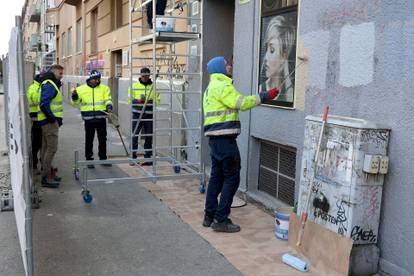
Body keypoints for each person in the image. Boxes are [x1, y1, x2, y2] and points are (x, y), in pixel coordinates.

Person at [202, 56, 279, 233]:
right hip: (225, 140)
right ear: (219, 68)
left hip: (214, 140)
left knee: (216, 178)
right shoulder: (223, 85)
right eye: (226, 64)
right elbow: (242, 103)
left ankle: (209, 216)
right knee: (232, 178)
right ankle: (221, 219)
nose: (229, 66)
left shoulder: (210, 87)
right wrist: (264, 96)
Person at [71, 70, 113, 169]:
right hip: (88, 118)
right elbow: (75, 103)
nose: (97, 81)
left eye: (98, 79)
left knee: (103, 139)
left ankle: (103, 158)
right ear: (90, 78)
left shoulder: (104, 88)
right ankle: (89, 159)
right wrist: (74, 97)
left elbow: (108, 99)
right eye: (95, 79)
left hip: (101, 117)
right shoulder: (81, 89)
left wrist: (109, 106)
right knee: (89, 139)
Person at [38, 64, 64, 188]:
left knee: (45, 148)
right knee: (51, 149)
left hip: (45, 121)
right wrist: (52, 119)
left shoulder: (48, 82)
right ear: (54, 72)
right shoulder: (49, 84)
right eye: (60, 73)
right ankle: (46, 177)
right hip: (49, 123)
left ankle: (48, 174)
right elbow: (44, 104)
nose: (61, 76)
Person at [259, 15, 296, 104]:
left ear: (284, 56)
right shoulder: (261, 88)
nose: (265, 58)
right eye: (266, 48)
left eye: (271, 50)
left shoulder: (289, 93)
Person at [128, 67, 160, 166]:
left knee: (149, 136)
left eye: (147, 76)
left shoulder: (153, 87)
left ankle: (148, 157)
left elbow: (158, 100)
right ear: (140, 76)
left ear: (149, 75)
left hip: (149, 115)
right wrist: (138, 101)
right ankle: (133, 156)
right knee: (134, 135)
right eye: (143, 76)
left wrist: (150, 102)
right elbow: (130, 99)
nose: (145, 77)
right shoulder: (134, 86)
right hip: (137, 115)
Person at [26, 74, 42, 173]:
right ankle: (35, 164)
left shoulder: (34, 87)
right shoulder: (36, 88)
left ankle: (38, 163)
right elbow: (36, 100)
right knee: (36, 143)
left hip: (37, 117)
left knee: (38, 142)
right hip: (37, 117)